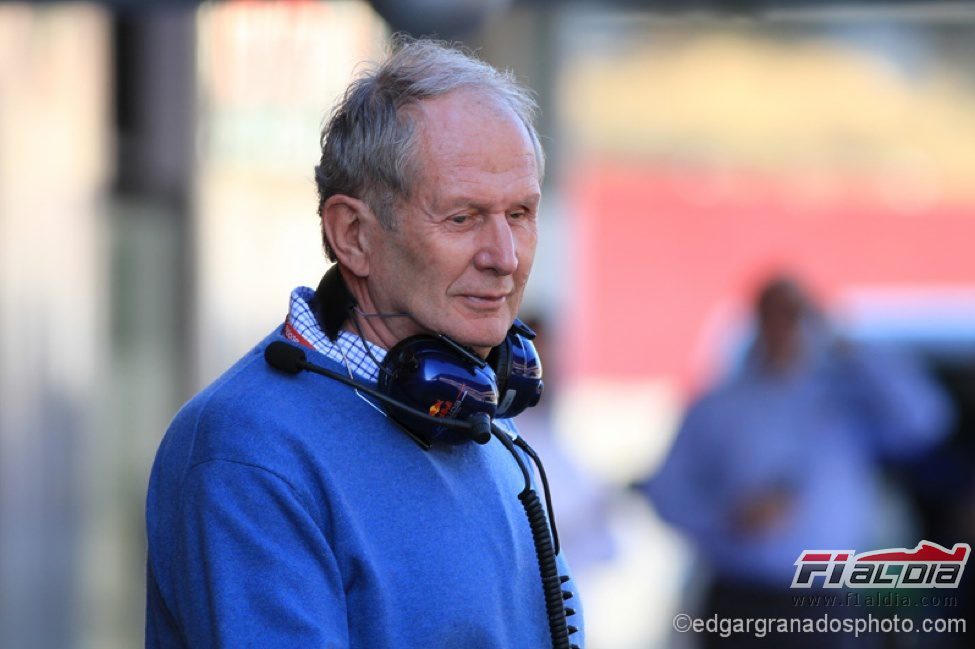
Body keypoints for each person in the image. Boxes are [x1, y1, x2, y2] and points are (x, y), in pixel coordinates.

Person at [145, 39, 583, 649]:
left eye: (519, 214)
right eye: (462, 217)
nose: (504, 258)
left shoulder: (485, 428)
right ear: (352, 234)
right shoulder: (248, 452)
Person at [639, 276, 952, 649]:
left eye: (797, 313)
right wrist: (727, 517)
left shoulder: (849, 398)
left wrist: (843, 340)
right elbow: (665, 491)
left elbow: (927, 421)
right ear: (757, 319)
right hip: (740, 599)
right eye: (776, 313)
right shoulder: (718, 407)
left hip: (826, 601)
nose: (786, 325)